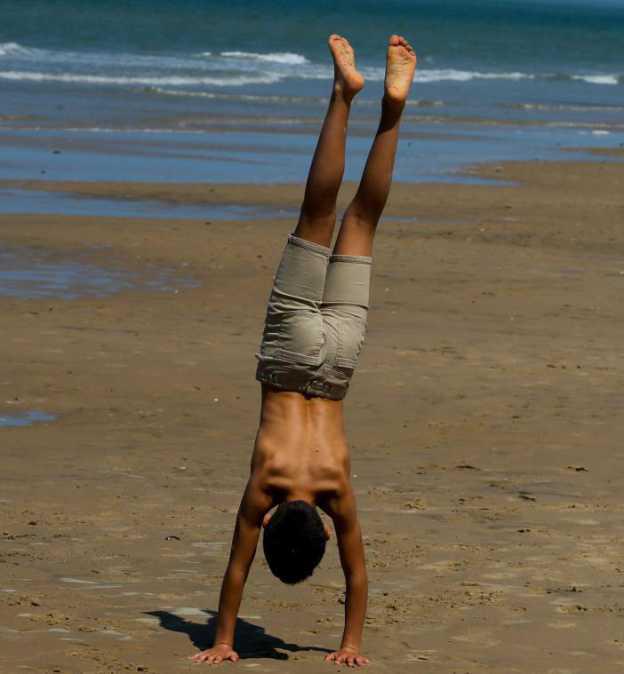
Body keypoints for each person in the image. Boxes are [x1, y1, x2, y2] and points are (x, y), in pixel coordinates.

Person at [189, 33, 416, 668]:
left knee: (363, 221)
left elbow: (358, 576)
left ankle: (394, 109)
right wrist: (223, 639)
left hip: (339, 364)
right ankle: (344, 95)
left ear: (319, 530)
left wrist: (351, 643)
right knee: (317, 213)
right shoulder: (264, 488)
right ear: (268, 527)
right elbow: (234, 573)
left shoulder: (336, 492)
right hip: (288, 365)